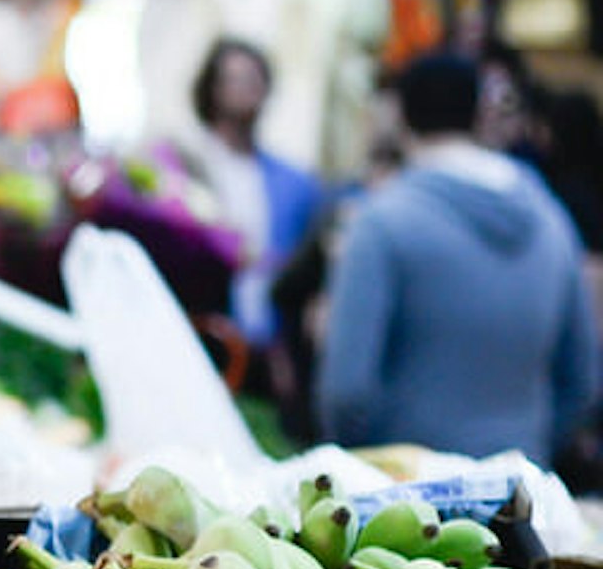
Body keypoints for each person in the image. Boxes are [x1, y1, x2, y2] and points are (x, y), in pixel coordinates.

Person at [318, 51, 602, 465]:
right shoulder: (551, 219)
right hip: (520, 493)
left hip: (410, 508)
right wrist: (525, 448)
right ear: (478, 114)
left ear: (399, 116)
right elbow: (582, 381)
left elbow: (346, 393)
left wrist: (380, 461)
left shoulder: (380, 223)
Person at [176, 38, 324, 356]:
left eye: (256, 79)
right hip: (204, 334)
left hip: (270, 345)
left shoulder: (293, 182)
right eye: (236, 79)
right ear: (212, 89)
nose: (248, 89)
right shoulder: (184, 166)